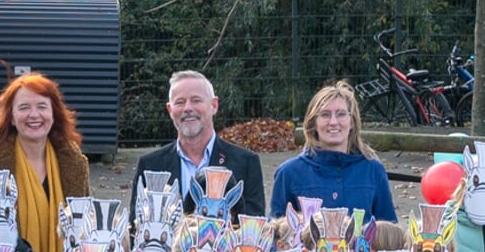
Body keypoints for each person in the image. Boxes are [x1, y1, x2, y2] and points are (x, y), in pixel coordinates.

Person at [0, 73, 91, 252]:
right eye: (24, 107)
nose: (34, 115)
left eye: (42, 106)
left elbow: (87, 226)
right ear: (11, 118)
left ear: (53, 114)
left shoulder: (76, 164)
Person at [129, 71, 266, 220]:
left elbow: (254, 229)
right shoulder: (149, 165)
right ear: (170, 110)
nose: (188, 108)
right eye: (180, 102)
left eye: (196, 100)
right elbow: (135, 230)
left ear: (214, 105)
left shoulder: (246, 163)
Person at [269, 82, 397, 223]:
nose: (333, 122)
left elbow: (389, 235)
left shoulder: (373, 170)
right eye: (325, 115)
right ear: (314, 123)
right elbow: (275, 236)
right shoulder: (288, 173)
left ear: (352, 121)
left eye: (341, 114)